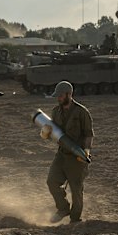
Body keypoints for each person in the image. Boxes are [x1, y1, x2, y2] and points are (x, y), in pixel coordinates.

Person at [46, 81, 94, 224]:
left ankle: (75, 219)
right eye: (57, 96)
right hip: (61, 154)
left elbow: (88, 134)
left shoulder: (82, 112)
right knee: (52, 181)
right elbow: (52, 131)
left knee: (76, 189)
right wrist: (46, 133)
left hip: (77, 156)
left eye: (61, 96)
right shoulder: (56, 111)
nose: (58, 99)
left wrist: (85, 152)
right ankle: (63, 208)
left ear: (69, 94)